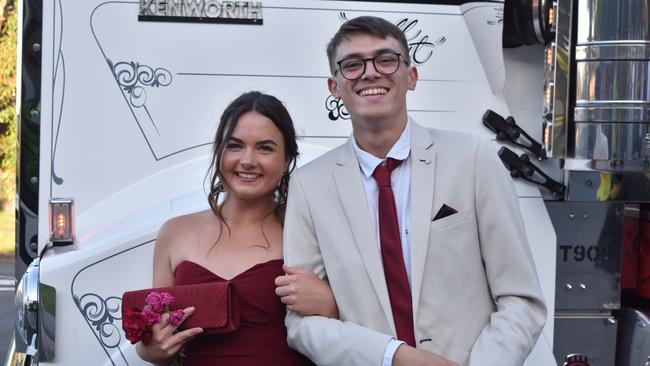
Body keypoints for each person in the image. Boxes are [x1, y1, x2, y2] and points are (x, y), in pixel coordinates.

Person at [277, 16, 547, 366]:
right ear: (334, 87)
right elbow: (303, 326)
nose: (370, 73)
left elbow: (521, 298)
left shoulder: (474, 160)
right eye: (353, 65)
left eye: (386, 60)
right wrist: (394, 356)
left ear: (411, 77)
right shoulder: (309, 185)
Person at [136, 91, 336, 366]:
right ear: (219, 150)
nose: (248, 160)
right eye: (235, 145)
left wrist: (331, 306)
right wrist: (149, 350)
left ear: (287, 158)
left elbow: (360, 328)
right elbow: (157, 337)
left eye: (265, 148)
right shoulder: (174, 233)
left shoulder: (309, 231)